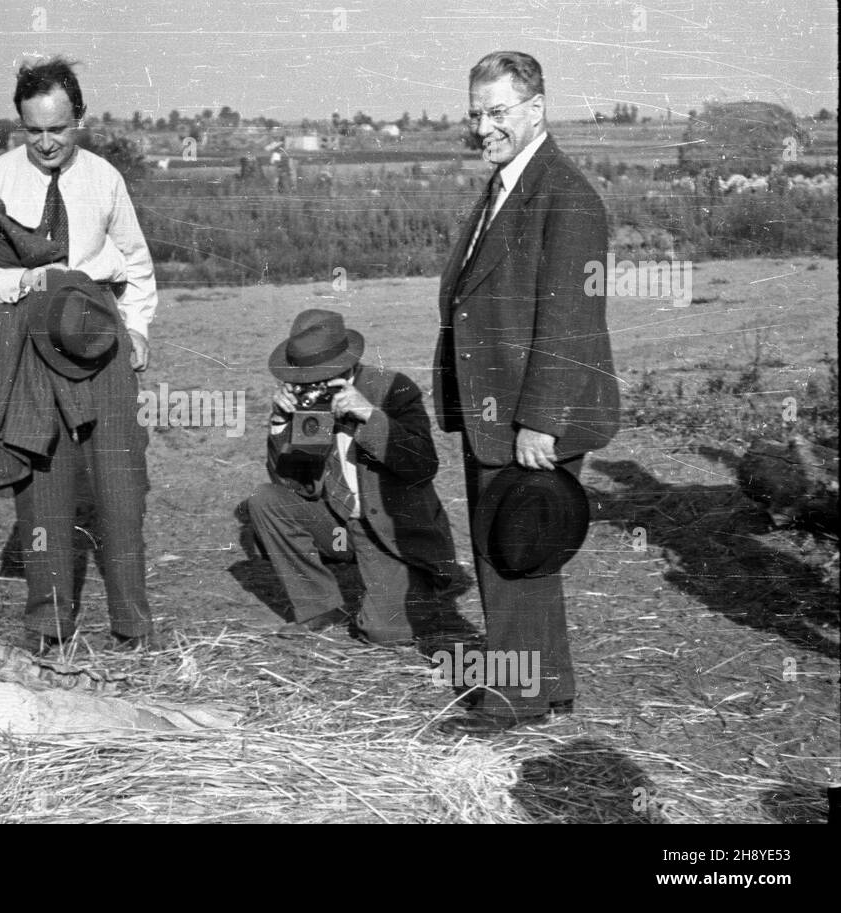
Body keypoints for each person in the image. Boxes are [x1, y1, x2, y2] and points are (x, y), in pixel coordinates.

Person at [433, 51, 620, 734]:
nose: (484, 126)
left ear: (536, 109)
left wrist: (538, 422)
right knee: (527, 546)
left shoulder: (564, 195)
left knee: (506, 549)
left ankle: (510, 702)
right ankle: (552, 684)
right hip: (499, 408)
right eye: (476, 113)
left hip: (528, 412)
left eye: (499, 112)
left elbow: (570, 319)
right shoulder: (511, 184)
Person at [0, 56, 158, 653]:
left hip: (99, 344)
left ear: (80, 120)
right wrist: (21, 285)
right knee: (42, 486)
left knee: (121, 488)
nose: (46, 142)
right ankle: (49, 624)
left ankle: (133, 625)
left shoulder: (105, 179)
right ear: (20, 124)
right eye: (33, 130)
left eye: (59, 129)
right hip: (27, 347)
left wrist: (138, 328)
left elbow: (137, 265)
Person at [245, 309, 474, 651]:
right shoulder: (308, 399)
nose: (313, 384)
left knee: (383, 632)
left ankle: (422, 586)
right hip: (340, 527)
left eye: (321, 375)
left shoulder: (392, 388)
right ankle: (320, 608)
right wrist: (280, 424)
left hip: (392, 532)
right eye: (304, 377)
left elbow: (423, 465)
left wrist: (369, 415)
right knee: (266, 501)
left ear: (346, 364)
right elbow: (292, 484)